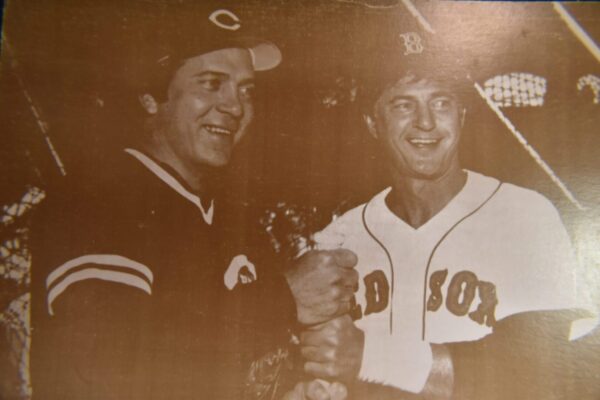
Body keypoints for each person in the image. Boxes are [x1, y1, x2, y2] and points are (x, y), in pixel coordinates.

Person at [29, 5, 361, 399]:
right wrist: (284, 298)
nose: (235, 107)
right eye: (211, 83)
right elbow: (109, 365)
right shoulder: (97, 198)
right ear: (152, 97)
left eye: (246, 90)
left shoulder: (232, 219)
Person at [314, 35, 598, 399]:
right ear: (373, 123)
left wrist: (374, 356)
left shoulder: (525, 215)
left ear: (461, 117)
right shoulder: (339, 238)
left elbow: (546, 367)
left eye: (441, 102)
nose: (426, 122)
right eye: (403, 105)